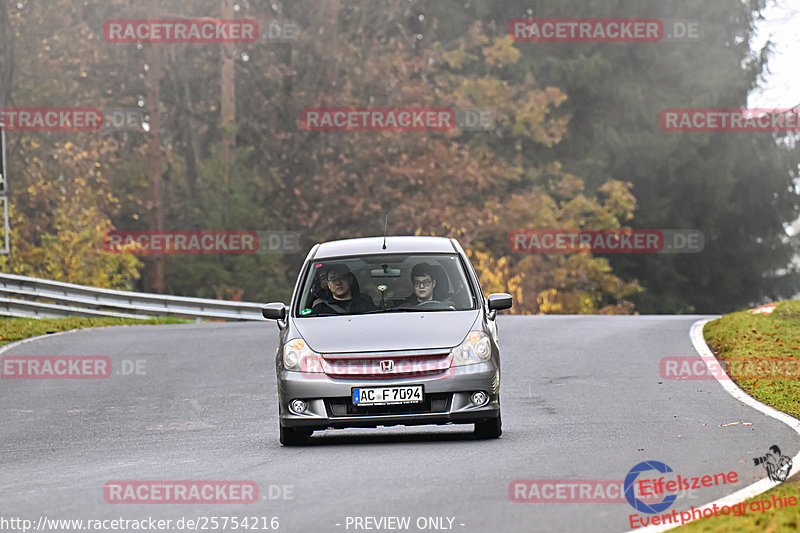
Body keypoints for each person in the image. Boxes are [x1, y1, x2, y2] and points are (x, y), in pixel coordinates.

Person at [310, 263, 377, 315]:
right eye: (333, 279)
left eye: (342, 277)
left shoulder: (365, 305)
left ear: (350, 279)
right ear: (328, 284)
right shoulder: (320, 309)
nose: (338, 283)